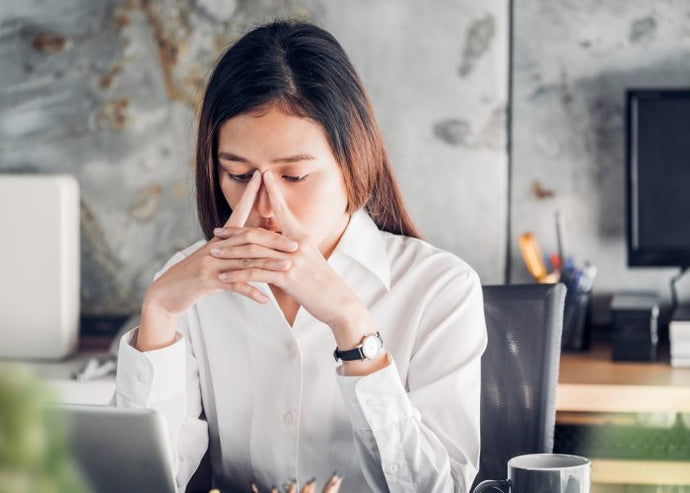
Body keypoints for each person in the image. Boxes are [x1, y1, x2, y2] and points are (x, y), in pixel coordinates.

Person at [112, 19, 487, 493]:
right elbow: (137, 483)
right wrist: (159, 311)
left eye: (294, 177)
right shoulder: (189, 288)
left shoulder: (440, 288)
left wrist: (353, 325)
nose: (266, 207)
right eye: (240, 176)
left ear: (354, 162)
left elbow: (443, 488)